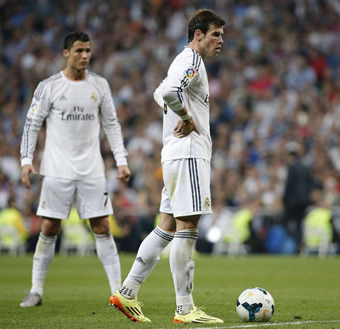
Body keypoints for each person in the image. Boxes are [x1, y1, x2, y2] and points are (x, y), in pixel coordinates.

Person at [109, 9, 225, 324]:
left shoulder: (182, 62)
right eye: (216, 34)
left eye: (222, 35)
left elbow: (160, 93)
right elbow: (171, 93)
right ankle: (185, 309)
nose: (221, 41)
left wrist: (177, 114)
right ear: (198, 34)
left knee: (166, 228)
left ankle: (127, 291)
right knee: (188, 229)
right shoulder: (191, 61)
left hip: (175, 153)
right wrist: (186, 119)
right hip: (188, 153)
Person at [19, 32, 131, 307]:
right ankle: (36, 290)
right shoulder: (49, 86)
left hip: (92, 169)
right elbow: (32, 124)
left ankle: (118, 293)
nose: (85, 55)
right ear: (66, 53)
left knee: (103, 226)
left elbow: (112, 124)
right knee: (48, 226)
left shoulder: (100, 85)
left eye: (88, 50)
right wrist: (26, 160)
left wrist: (121, 159)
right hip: (57, 168)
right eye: (79, 50)